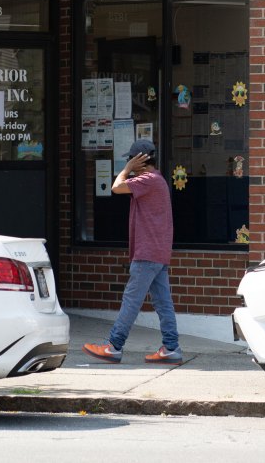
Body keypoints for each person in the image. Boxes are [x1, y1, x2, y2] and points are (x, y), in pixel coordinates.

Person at [82, 138, 182, 365]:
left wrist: (126, 170)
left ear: (141, 159)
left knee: (131, 299)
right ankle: (171, 348)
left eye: (131, 158)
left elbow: (116, 187)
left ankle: (114, 346)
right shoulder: (157, 181)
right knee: (163, 302)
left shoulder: (148, 179)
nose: (128, 162)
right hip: (157, 252)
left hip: (147, 252)